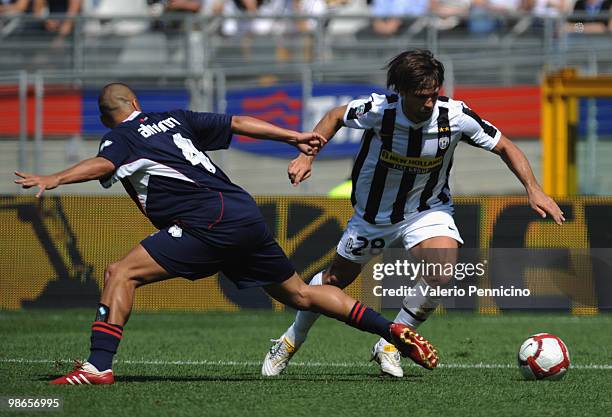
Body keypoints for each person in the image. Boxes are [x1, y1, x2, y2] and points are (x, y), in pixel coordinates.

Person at [14, 83, 438, 385]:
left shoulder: (119, 137)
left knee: (120, 273)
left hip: (206, 220)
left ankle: (97, 366)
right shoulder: (172, 118)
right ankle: (391, 330)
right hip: (241, 210)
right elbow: (238, 123)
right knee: (301, 294)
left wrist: (54, 177)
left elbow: (103, 166)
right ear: (137, 102)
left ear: (106, 116)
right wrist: (293, 135)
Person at [261, 49, 565, 377]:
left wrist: (533, 188)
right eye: (422, 97)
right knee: (334, 281)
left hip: (426, 209)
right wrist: (308, 156)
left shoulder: (455, 116)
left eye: (434, 94)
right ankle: (291, 340)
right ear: (402, 91)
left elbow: (505, 145)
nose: (430, 103)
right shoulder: (380, 110)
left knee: (441, 271)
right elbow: (335, 115)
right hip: (373, 216)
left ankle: (391, 343)